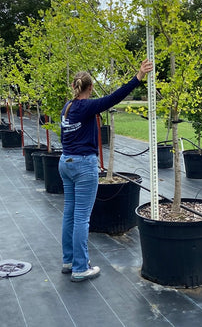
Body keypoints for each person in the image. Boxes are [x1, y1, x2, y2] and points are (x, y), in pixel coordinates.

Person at [59, 59, 153, 282]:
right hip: (83, 165)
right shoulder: (86, 106)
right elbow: (114, 98)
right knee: (81, 217)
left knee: (70, 214)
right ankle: (80, 268)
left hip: (65, 163)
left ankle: (69, 260)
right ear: (89, 88)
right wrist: (138, 76)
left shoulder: (67, 107)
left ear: (74, 87)